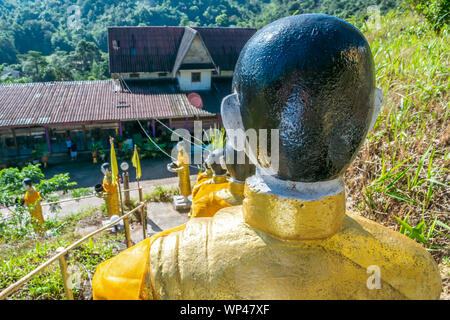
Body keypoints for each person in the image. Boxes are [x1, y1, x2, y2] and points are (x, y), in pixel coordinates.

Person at [92, 14, 441, 300]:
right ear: (372, 115)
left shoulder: (153, 269)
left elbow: (106, 285)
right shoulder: (414, 270)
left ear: (234, 121)